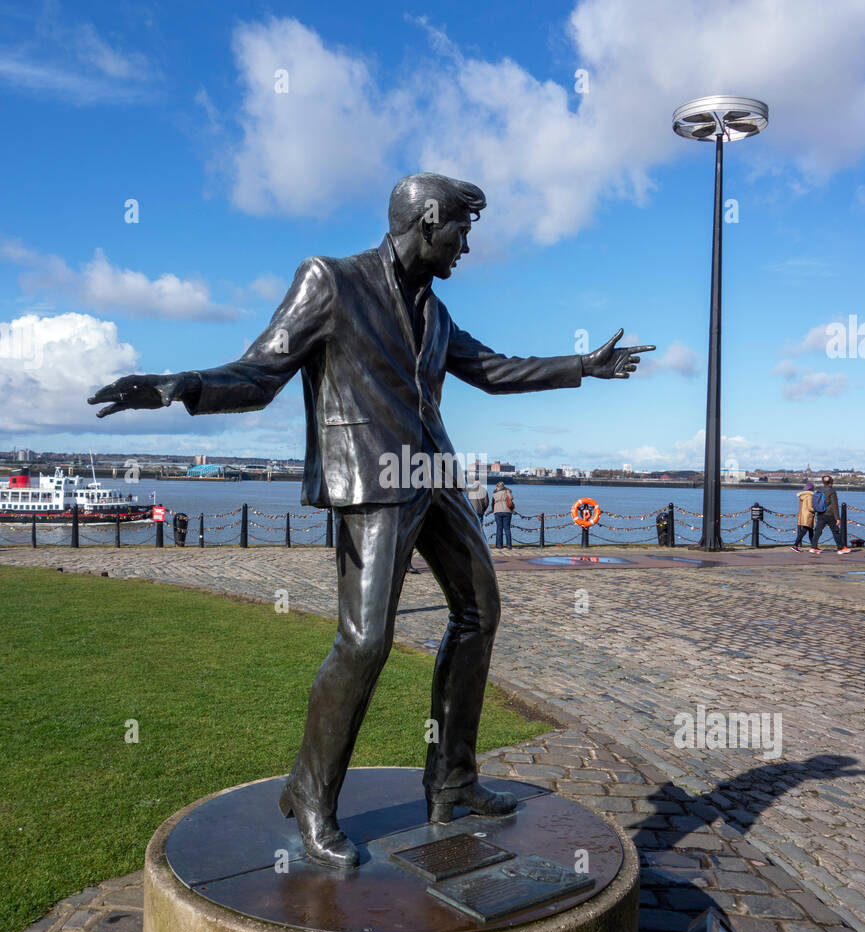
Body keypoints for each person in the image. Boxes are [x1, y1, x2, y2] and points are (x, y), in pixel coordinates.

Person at [88, 172, 654, 868]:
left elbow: (492, 369)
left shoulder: (436, 312)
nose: (467, 248)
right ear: (427, 222)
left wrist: (581, 366)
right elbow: (262, 371)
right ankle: (312, 793)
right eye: (462, 231)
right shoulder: (330, 279)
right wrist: (184, 385)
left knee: (479, 611)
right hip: (371, 480)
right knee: (364, 642)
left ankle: (452, 778)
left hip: (433, 475)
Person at [808, 475, 851, 556]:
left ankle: (813, 547)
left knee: (817, 531)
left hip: (820, 513)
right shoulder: (832, 492)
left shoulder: (819, 490)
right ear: (831, 483)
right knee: (835, 531)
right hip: (830, 514)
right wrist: (837, 518)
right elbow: (834, 505)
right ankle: (841, 548)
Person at [792, 481, 815, 552]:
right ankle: (795, 545)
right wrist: (816, 509)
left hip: (803, 515)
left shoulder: (802, 496)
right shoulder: (810, 496)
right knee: (804, 531)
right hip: (808, 515)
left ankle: (814, 546)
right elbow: (809, 507)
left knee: (810, 531)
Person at [492, 480, 515, 549]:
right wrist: (508, 491)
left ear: (497, 486)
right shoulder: (507, 491)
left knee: (499, 529)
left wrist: (493, 510)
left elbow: (492, 503)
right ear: (503, 486)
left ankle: (499, 545)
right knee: (507, 529)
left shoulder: (495, 493)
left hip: (497, 512)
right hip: (507, 511)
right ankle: (509, 545)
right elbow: (511, 498)